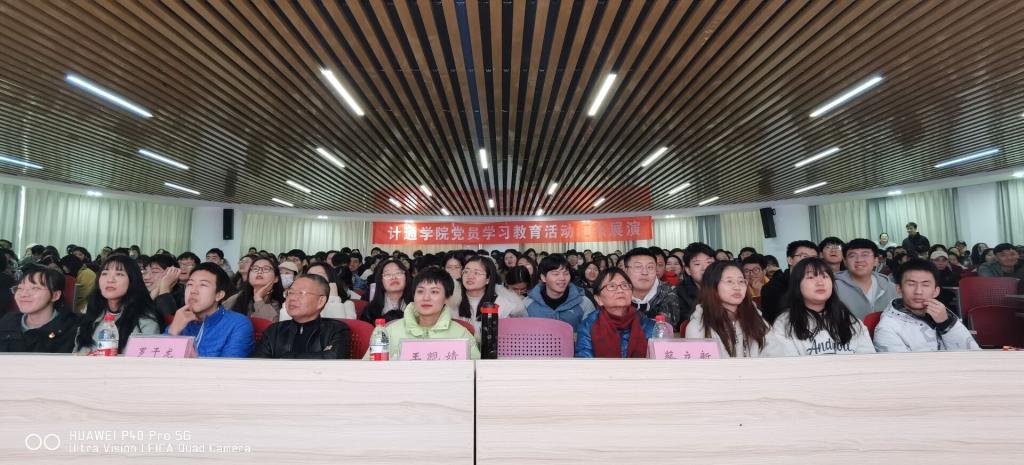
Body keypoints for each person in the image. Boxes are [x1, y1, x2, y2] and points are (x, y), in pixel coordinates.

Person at [765, 258, 875, 357]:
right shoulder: (785, 324)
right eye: (811, 277)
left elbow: (868, 360)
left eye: (825, 276)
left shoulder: (849, 319)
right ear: (797, 285)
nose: (820, 282)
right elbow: (788, 366)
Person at [362, 267, 479, 360]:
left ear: (446, 298)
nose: (426, 298)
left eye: (434, 292)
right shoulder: (389, 332)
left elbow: (475, 373)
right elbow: (368, 369)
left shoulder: (461, 334)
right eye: (420, 291)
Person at [873, 259, 979, 352]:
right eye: (911, 284)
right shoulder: (887, 328)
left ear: (936, 291)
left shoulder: (943, 314)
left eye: (925, 285)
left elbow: (973, 355)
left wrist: (946, 324)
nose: (918, 291)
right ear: (899, 289)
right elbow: (903, 367)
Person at [75, 255, 164, 354]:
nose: (110, 280)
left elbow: (147, 359)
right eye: (105, 273)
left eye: (119, 274)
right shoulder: (92, 314)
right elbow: (76, 353)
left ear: (132, 280)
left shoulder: (145, 320)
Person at [252, 274, 352, 359]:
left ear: (320, 301)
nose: (292, 298)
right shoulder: (274, 331)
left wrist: (286, 358)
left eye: (301, 293)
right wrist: (319, 355)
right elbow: (258, 365)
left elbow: (334, 360)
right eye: (290, 293)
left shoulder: (336, 330)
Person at [166, 263, 253, 357]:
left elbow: (229, 365)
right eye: (190, 284)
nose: (193, 291)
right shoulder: (181, 319)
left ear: (219, 295)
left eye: (203, 285)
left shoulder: (237, 324)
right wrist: (172, 332)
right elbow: (157, 358)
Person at [685, 261, 770, 357]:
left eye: (741, 281)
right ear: (713, 286)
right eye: (729, 281)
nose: (737, 287)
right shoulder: (699, 326)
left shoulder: (756, 317)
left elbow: (774, 351)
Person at [575, 268, 655, 358]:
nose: (620, 290)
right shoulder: (588, 326)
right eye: (612, 286)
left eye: (625, 285)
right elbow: (584, 362)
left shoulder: (647, 325)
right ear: (598, 299)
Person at [0, 266, 80, 353]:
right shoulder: (8, 321)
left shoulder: (73, 331)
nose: (23, 294)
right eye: (20, 288)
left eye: (35, 288)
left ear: (55, 295)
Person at [455, 256, 526, 336]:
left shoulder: (502, 304)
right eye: (466, 271)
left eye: (476, 273)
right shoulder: (453, 301)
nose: (470, 276)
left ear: (488, 279)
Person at [523, 254, 596, 328]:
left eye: (566, 273)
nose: (562, 278)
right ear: (543, 277)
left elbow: (591, 331)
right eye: (556, 274)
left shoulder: (584, 303)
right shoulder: (527, 304)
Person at [833, 239, 897, 320]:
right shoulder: (832, 287)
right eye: (852, 256)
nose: (859, 260)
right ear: (845, 261)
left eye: (865, 255)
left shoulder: (890, 287)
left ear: (876, 260)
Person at [622, 248, 681, 327]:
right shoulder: (617, 291)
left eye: (650, 267)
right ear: (626, 270)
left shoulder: (668, 291)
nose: (645, 272)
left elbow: (664, 326)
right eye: (638, 267)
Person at [279, 263, 356, 321]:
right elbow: (285, 327)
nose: (313, 280)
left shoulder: (347, 304)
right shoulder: (296, 301)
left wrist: (333, 300)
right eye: (310, 276)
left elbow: (338, 330)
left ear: (331, 280)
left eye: (319, 276)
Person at [223, 257, 285, 321]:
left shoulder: (282, 304)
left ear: (276, 278)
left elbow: (271, 324)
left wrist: (258, 299)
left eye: (266, 269)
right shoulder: (236, 299)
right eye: (255, 268)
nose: (259, 271)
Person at [359, 259, 412, 323]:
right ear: (381, 281)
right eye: (387, 275)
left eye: (398, 273)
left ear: (406, 277)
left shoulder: (417, 305)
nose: (393, 277)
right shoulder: (370, 311)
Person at [676, 242, 716, 323]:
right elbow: (686, 320)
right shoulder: (680, 292)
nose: (705, 268)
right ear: (688, 270)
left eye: (709, 263)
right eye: (697, 264)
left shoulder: (726, 286)